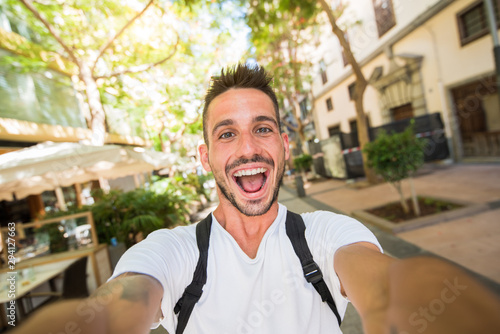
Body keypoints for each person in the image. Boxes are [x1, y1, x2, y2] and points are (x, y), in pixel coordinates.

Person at [15, 64, 500, 334]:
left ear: (284, 146)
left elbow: (389, 286)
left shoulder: (325, 233)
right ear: (205, 157)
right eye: (228, 134)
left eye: (262, 129)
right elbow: (116, 307)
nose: (248, 148)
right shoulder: (174, 251)